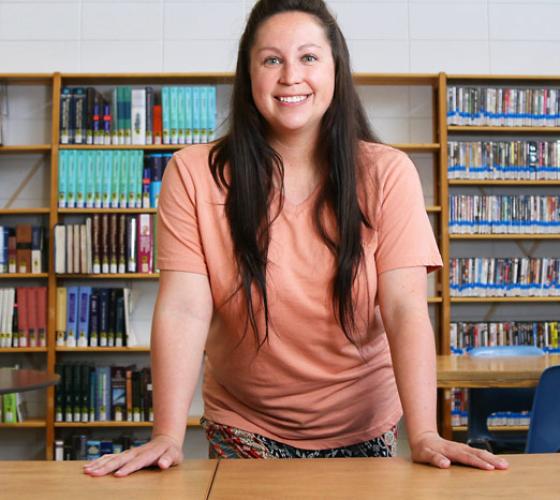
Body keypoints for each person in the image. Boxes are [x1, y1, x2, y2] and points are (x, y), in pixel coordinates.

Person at [84, 0, 508, 477]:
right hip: (245, 428)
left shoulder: (388, 173)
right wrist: (166, 434)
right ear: (248, 75)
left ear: (335, 70)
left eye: (308, 58)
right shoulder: (194, 173)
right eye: (271, 60)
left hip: (364, 427)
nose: (290, 76)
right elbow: (184, 307)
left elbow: (404, 308)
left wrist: (426, 433)